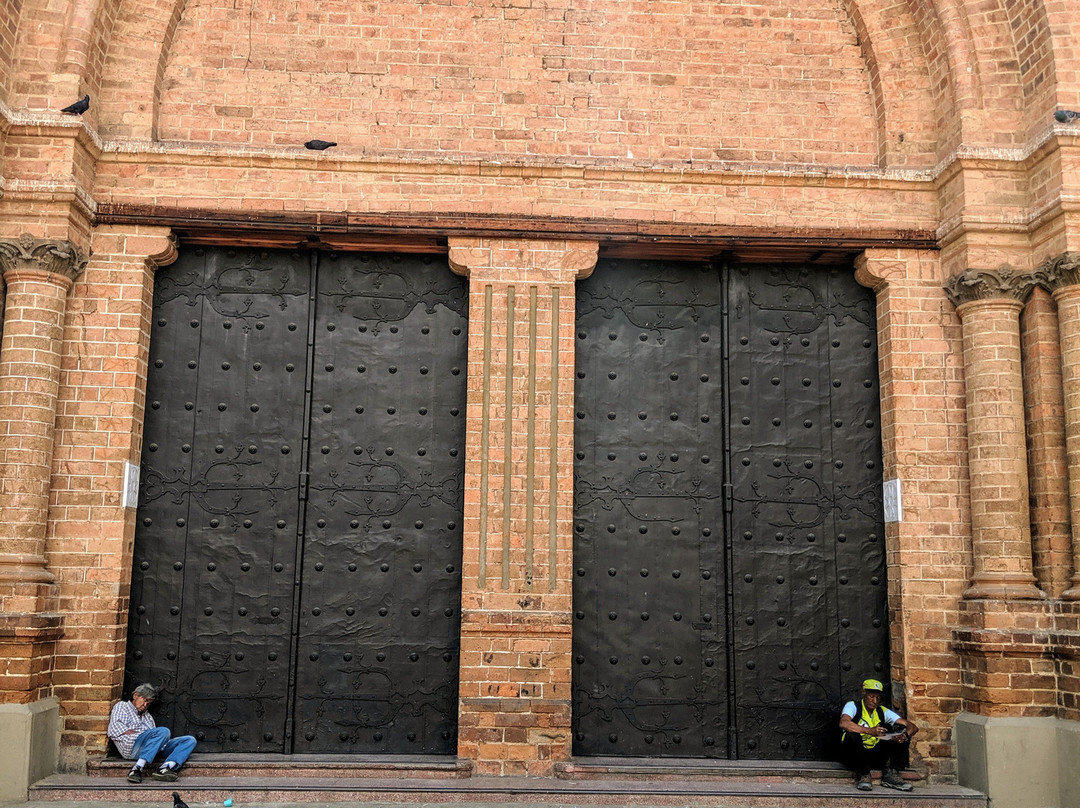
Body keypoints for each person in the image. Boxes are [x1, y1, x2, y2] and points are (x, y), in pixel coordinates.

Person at [838, 678, 918, 792]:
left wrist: (905, 735)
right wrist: (870, 731)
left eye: (878, 698)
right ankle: (864, 774)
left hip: (874, 755)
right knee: (851, 735)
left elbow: (912, 726)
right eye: (871, 696)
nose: (875, 701)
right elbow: (844, 723)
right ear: (864, 693)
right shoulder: (853, 706)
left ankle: (890, 773)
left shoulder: (882, 711)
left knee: (896, 732)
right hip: (854, 755)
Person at [107, 683, 196, 784]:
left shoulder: (147, 716)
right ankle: (137, 769)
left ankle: (165, 768)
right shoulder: (122, 706)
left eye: (148, 703)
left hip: (150, 748)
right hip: (132, 747)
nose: (145, 705)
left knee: (189, 740)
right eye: (144, 700)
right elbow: (114, 729)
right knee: (164, 731)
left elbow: (155, 738)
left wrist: (148, 737)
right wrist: (144, 735)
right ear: (135, 696)